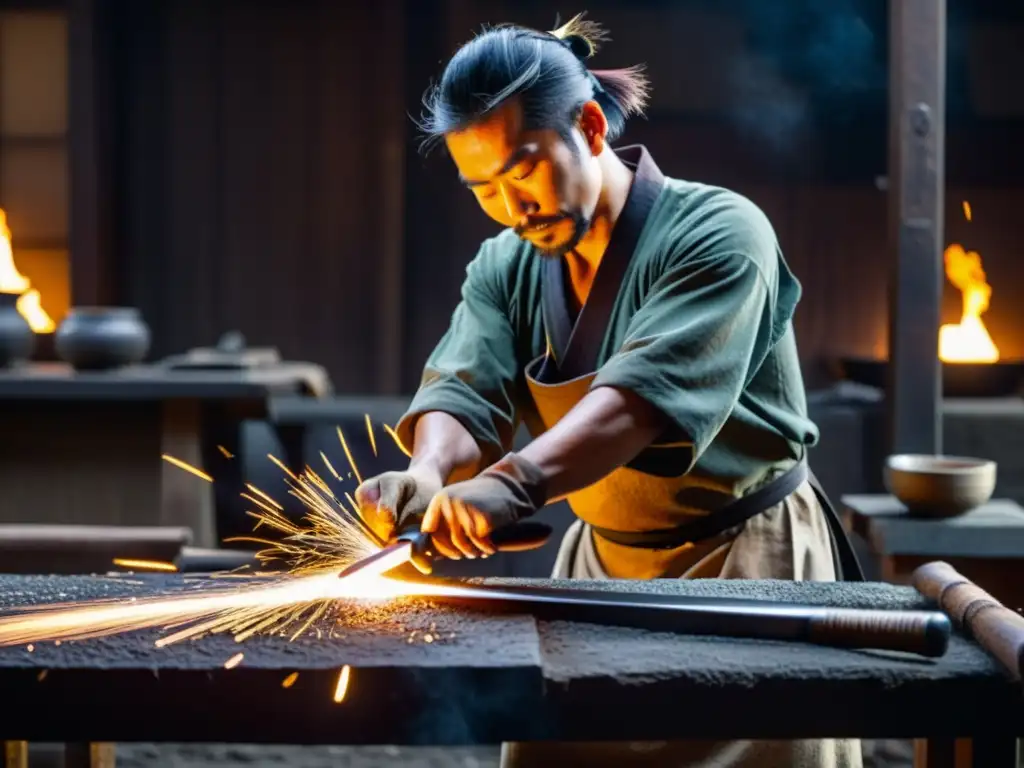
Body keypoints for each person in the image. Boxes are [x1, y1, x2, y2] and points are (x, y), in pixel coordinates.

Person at [355, 13, 863, 768]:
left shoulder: (722, 233)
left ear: (590, 126)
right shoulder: (507, 264)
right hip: (599, 568)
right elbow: (466, 385)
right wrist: (427, 473)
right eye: (483, 188)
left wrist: (516, 483)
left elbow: (638, 403)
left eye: (522, 170)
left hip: (748, 564)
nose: (510, 207)